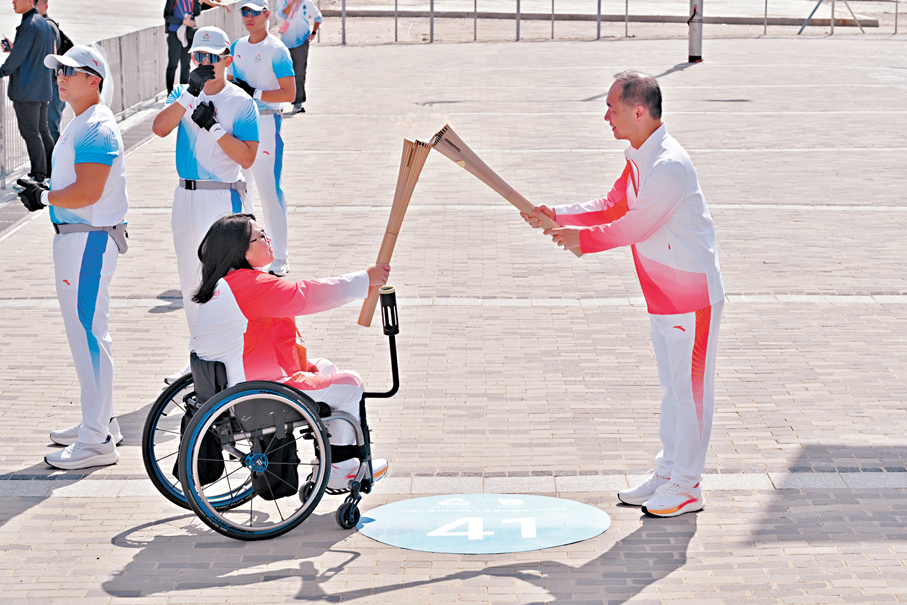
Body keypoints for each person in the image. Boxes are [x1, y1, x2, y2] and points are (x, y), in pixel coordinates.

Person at [523, 70, 724, 518]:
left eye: (611, 108)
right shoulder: (640, 157)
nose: (606, 116)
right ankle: (669, 472)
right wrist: (557, 215)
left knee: (690, 393)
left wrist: (583, 242)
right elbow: (613, 204)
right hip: (662, 297)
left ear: (638, 111)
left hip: (690, 299)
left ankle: (688, 486)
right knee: (673, 390)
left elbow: (635, 225)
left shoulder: (668, 165)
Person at [191, 213, 391, 489]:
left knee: (326, 368)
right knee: (351, 384)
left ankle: (331, 458)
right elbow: (307, 295)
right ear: (241, 250)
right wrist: (363, 280)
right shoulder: (249, 286)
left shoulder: (224, 285)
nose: (268, 239)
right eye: (260, 236)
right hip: (260, 391)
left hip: (235, 383)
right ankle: (340, 469)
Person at [17, 45, 128, 469]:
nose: (60, 76)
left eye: (69, 71)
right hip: (79, 240)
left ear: (93, 79)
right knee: (90, 335)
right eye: (58, 71)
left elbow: (88, 192)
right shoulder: (81, 121)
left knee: (89, 337)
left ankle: (96, 439)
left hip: (87, 242)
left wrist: (43, 196)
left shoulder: (96, 126)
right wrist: (46, 188)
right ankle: (100, 422)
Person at [152, 26, 259, 385]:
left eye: (213, 57)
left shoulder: (241, 101)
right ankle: (197, 357)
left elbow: (247, 157)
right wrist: (188, 95)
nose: (206, 63)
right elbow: (159, 128)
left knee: (224, 282)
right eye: (200, 56)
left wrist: (213, 127)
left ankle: (232, 359)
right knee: (189, 281)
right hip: (185, 196)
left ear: (227, 59)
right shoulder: (182, 95)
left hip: (222, 195)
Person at [230, 0, 296, 277]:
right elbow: (232, 85)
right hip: (241, 123)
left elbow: (289, 94)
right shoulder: (236, 47)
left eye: (254, 13)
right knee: (243, 189)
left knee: (270, 192)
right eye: (244, 12)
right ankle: (247, 254)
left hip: (267, 122)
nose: (249, 17)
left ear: (267, 15)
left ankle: (279, 257)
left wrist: (254, 92)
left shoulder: (277, 50)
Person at [0, 0, 54, 182]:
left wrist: (2, 71)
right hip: (41, 87)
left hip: (27, 89)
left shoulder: (28, 24)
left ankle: (39, 176)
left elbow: (19, 57)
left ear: (30, 1)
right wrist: (13, 49)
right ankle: (52, 172)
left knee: (31, 133)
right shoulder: (43, 23)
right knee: (42, 131)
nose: (13, 2)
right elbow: (33, 52)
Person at [163, 0, 231, 94]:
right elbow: (167, 16)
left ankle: (184, 92)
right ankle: (170, 93)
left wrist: (198, 2)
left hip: (188, 34)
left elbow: (197, 12)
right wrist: (183, 21)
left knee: (186, 64)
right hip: (174, 34)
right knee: (173, 64)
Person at [275, 0, 321, 114]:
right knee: (282, 74)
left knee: (299, 73)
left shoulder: (306, 2)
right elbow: (280, 16)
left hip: (301, 42)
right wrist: (292, 4)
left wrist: (314, 32)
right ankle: (277, 103)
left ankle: (298, 103)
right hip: (285, 44)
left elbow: (318, 17)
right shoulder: (282, 2)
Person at [36, 0, 68, 143]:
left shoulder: (47, 26)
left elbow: (50, 52)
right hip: (49, 86)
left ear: (45, 6)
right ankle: (48, 163)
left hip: (52, 87)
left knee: (49, 128)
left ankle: (53, 164)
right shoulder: (38, 26)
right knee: (45, 128)